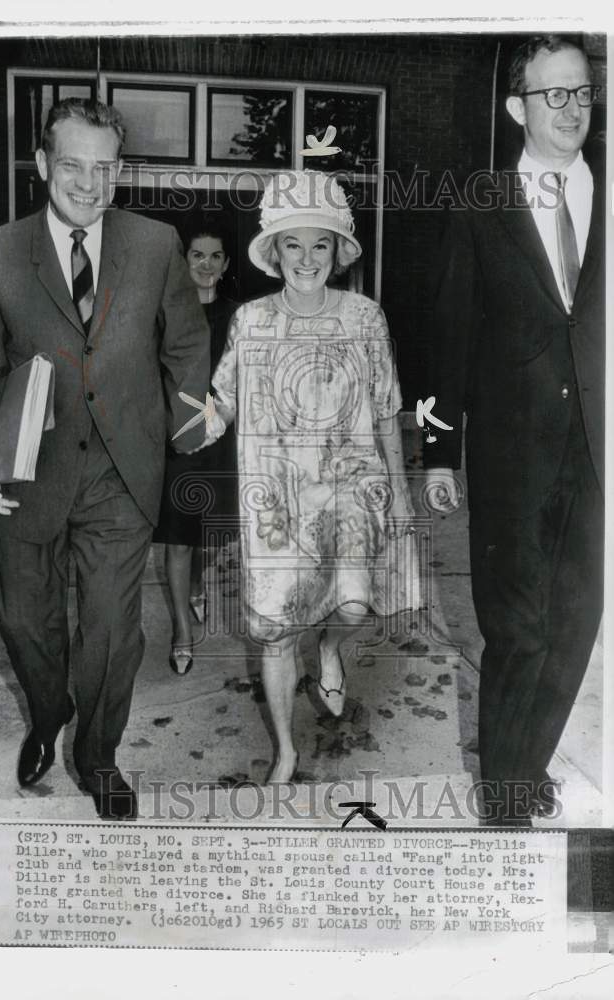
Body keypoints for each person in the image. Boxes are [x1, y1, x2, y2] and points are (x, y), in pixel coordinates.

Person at [0, 98, 212, 820]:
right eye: (71, 163)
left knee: (109, 630)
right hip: (27, 468)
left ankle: (97, 755)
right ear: (43, 164)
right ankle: (48, 713)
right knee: (21, 620)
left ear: (118, 172)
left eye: (103, 167)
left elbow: (187, 343)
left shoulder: (155, 244)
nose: (87, 181)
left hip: (120, 470)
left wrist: (191, 425)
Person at [424, 36, 604, 825]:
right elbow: (447, 330)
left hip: (597, 453)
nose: (571, 110)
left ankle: (525, 765)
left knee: (576, 622)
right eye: (553, 95)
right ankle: (501, 797)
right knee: (516, 628)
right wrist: (437, 448)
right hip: (508, 453)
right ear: (515, 108)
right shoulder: (479, 202)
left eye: (581, 94)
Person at [211, 170, 419, 783]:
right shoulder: (249, 322)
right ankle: (286, 752)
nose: (306, 258)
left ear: (338, 252)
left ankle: (328, 649)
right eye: (292, 244)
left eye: (319, 244)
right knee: (274, 629)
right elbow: (222, 399)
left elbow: (386, 408)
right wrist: (202, 418)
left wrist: (402, 494)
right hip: (274, 497)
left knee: (353, 606)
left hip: (350, 489)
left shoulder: (365, 317)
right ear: (274, 253)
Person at [154, 215, 239, 675]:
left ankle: (196, 587)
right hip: (179, 439)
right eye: (197, 254)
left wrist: (222, 419)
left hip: (222, 438)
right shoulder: (166, 313)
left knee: (208, 531)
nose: (206, 264)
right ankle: (183, 632)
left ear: (225, 264)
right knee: (178, 536)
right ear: (184, 260)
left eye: (215, 256)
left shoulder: (238, 316)